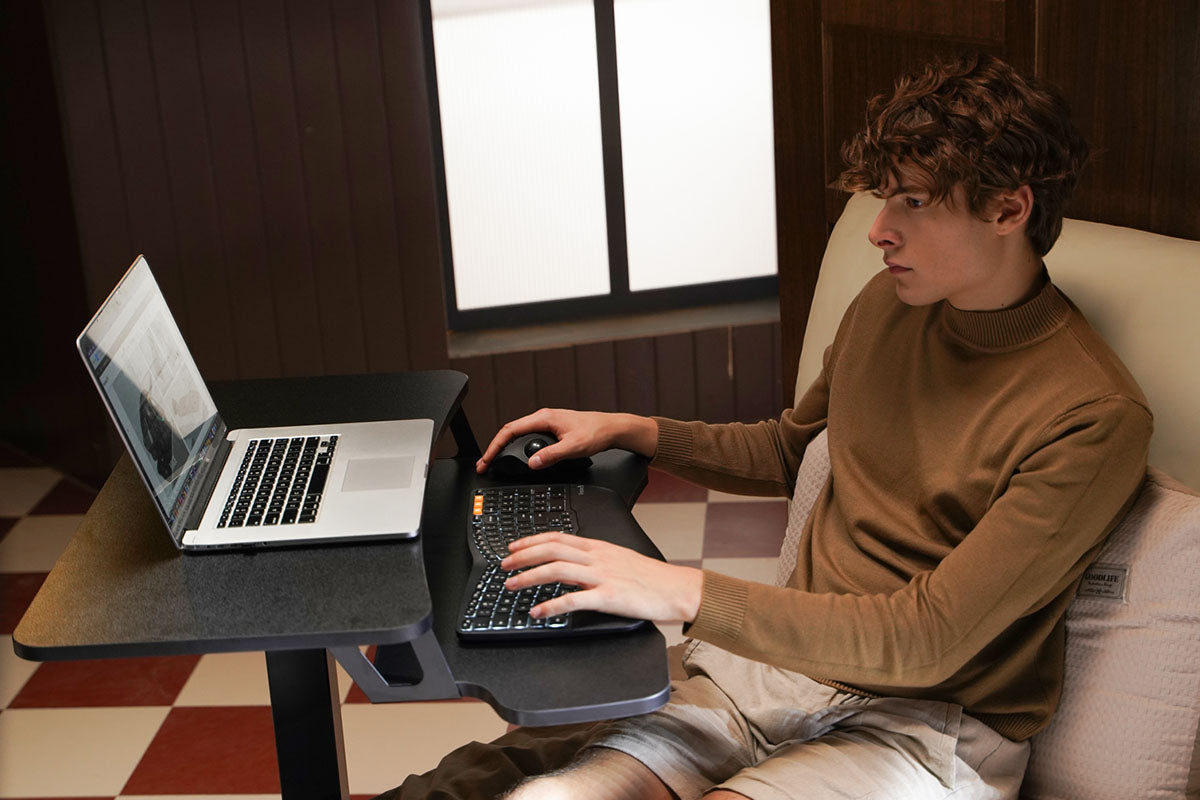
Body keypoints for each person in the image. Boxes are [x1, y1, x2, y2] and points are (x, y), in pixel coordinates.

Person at [387, 52, 1152, 800]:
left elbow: (931, 637)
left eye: (913, 203)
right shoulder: (890, 306)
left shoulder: (1091, 416)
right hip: (779, 673)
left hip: (927, 726)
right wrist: (634, 429)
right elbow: (791, 450)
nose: (878, 231)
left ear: (1008, 210)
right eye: (883, 199)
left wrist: (682, 589)